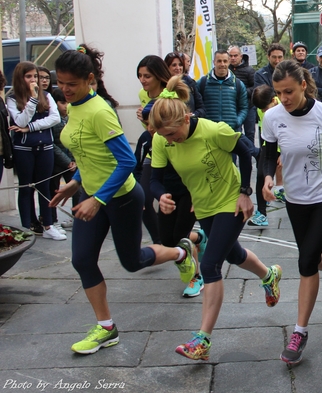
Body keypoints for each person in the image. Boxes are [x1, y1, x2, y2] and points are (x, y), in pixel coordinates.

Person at [50, 47, 198, 355]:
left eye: (71, 84)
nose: (64, 89)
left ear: (89, 79)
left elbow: (125, 163)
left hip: (122, 197)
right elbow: (92, 156)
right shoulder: (73, 108)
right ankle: (106, 328)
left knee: (132, 262)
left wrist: (97, 199)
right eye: (60, 82)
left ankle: (179, 254)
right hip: (94, 195)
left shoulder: (100, 111)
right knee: (82, 260)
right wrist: (75, 184)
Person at [148, 75, 282, 359]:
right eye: (164, 136)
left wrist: (245, 192)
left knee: (210, 264)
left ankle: (203, 340)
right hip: (204, 205)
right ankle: (269, 275)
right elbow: (154, 179)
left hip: (231, 202)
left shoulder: (213, 130)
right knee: (233, 254)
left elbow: (247, 153)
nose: (169, 141)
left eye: (172, 134)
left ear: (186, 119)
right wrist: (161, 196)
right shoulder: (162, 139)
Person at [259, 60, 322, 366]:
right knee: (309, 255)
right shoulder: (272, 117)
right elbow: (267, 152)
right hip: (295, 199)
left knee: (305, 261)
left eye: (288, 91)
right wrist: (267, 177)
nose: (283, 98)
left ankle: (299, 332)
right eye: (278, 93)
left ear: (302, 85)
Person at [6, 62, 64, 240]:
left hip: (45, 147)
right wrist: (31, 100)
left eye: (35, 76)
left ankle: (48, 225)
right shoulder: (12, 99)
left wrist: (30, 128)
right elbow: (20, 121)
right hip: (24, 149)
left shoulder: (46, 95)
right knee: (25, 188)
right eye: (29, 76)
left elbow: (55, 118)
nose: (33, 80)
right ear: (20, 78)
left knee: (44, 186)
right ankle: (26, 227)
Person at [135, 55, 172, 246]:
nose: (143, 80)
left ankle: (193, 238)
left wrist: (152, 122)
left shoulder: (170, 94)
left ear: (158, 76)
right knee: (142, 200)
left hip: (173, 152)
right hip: (152, 152)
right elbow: (149, 129)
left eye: (147, 76)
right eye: (140, 75)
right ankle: (160, 241)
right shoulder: (143, 95)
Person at [247, 85, 282, 227]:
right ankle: (261, 214)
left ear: (274, 100)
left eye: (264, 108)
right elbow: (264, 130)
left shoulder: (284, 106)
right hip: (269, 143)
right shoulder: (262, 109)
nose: (262, 112)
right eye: (260, 109)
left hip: (285, 144)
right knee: (261, 173)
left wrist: (283, 153)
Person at [49, 87, 78, 230]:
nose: (66, 106)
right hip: (57, 162)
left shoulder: (72, 117)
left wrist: (74, 160)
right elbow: (52, 144)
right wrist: (67, 161)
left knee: (76, 190)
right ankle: (51, 220)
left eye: (67, 102)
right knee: (53, 191)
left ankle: (76, 217)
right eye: (62, 103)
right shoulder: (53, 119)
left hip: (71, 162)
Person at [198, 50, 248, 132]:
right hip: (208, 131)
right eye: (219, 61)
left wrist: (237, 121)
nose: (222, 64)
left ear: (229, 62)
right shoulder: (202, 83)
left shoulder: (238, 84)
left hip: (231, 131)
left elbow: (244, 108)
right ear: (214, 62)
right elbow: (196, 106)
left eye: (225, 61)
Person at [228, 46, 257, 144]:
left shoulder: (249, 70)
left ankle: (249, 157)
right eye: (230, 56)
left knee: (250, 134)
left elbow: (255, 88)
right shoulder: (227, 71)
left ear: (241, 56)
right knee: (234, 135)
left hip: (248, 106)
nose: (233, 58)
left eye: (235, 55)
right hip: (232, 108)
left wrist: (242, 91)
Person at [164, 51, 205, 117]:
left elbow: (201, 108)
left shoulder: (190, 83)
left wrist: (193, 115)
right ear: (167, 67)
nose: (178, 68)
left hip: (190, 124)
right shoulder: (162, 85)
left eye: (180, 65)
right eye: (174, 65)